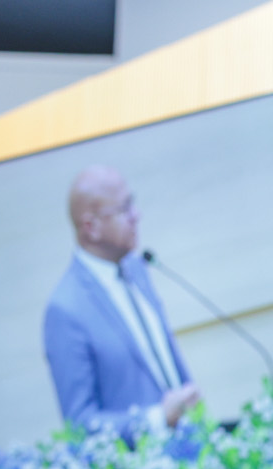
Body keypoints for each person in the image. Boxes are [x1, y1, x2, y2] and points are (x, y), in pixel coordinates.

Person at [41, 165, 200, 436]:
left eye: (132, 203)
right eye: (124, 209)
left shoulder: (137, 268)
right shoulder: (65, 310)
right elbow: (80, 424)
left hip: (192, 447)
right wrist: (156, 419)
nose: (137, 216)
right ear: (90, 227)